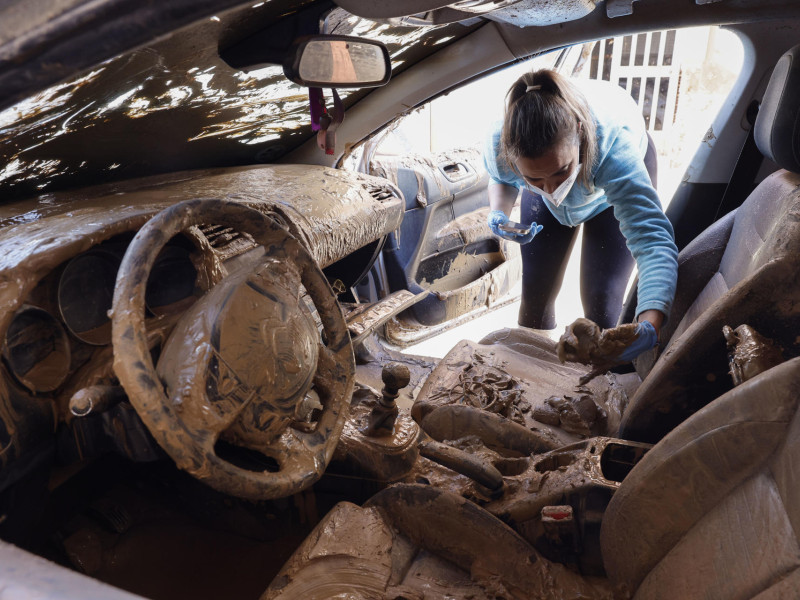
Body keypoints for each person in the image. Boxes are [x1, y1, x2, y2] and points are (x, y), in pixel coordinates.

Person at [484, 69, 678, 361]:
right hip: (548, 188)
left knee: (603, 304)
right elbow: (500, 178)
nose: (552, 189)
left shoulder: (615, 151)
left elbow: (653, 242)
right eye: (535, 179)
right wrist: (498, 212)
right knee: (535, 295)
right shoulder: (501, 141)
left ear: (579, 131)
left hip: (605, 196)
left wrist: (650, 325)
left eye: (561, 171)